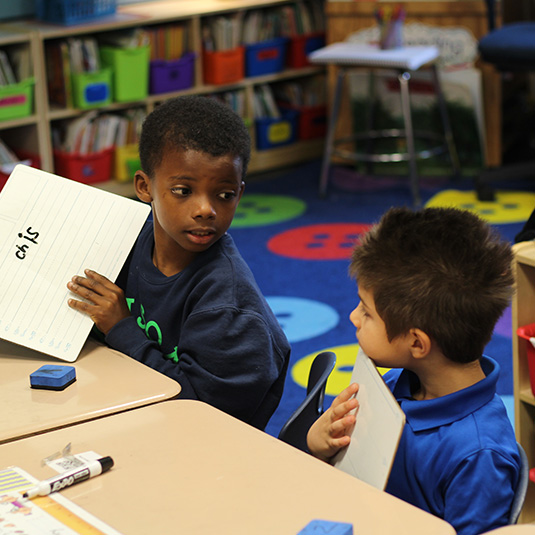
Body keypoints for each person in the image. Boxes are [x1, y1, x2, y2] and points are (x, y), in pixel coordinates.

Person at [66, 95, 290, 430]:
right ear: (145, 187)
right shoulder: (127, 244)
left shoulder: (228, 308)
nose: (205, 209)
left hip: (207, 446)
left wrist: (121, 328)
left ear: (239, 194)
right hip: (135, 407)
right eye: (184, 190)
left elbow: (203, 418)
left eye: (224, 195)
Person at [307, 206, 520, 535]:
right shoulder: (394, 382)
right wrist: (322, 444)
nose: (353, 317)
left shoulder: (479, 456)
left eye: (366, 311)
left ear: (417, 343)